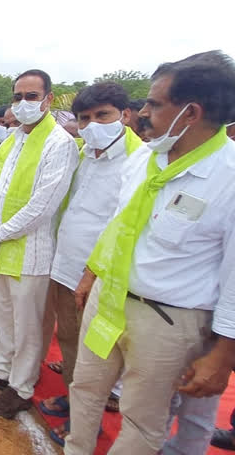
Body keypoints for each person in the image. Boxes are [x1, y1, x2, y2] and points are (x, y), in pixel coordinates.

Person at [65, 51, 235, 455]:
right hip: (108, 298)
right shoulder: (145, 159)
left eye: (155, 104)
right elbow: (119, 225)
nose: (142, 113)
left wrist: (224, 355)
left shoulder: (228, 177)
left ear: (190, 112)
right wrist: (92, 275)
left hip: (167, 321)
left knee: (142, 419)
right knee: (85, 388)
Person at [0, 69, 79, 419]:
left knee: (28, 325)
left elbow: (42, 207)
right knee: (2, 316)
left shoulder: (59, 144)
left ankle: (21, 387)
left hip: (32, 253)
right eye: (18, 97)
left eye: (31, 97)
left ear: (48, 99)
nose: (23, 103)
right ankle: (0, 370)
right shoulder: (12, 139)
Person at [37, 81, 143, 445]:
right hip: (65, 266)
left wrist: (90, 275)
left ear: (125, 116)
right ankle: (71, 402)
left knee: (95, 356)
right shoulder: (82, 154)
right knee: (67, 339)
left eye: (103, 115)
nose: (92, 125)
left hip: (99, 279)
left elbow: (123, 228)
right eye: (84, 119)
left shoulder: (138, 163)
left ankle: (88, 422)